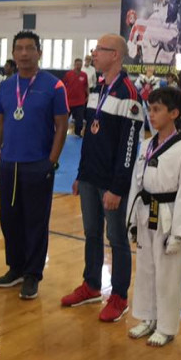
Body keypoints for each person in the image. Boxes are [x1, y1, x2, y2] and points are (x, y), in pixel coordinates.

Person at [61, 34, 143, 322]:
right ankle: (92, 285)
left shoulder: (129, 94)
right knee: (92, 233)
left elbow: (129, 147)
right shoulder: (97, 88)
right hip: (89, 178)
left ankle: (119, 296)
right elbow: (90, 138)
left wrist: (118, 188)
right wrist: (80, 175)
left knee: (117, 238)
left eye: (99, 49)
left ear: (116, 55)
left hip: (111, 184)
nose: (93, 53)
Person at [0, 30, 69, 300]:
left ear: (39, 53)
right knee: (9, 219)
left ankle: (32, 274)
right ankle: (16, 268)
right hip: (9, 163)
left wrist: (51, 161)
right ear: (13, 53)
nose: (24, 53)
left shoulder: (54, 86)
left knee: (35, 220)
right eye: (19, 48)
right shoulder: (6, 87)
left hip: (38, 164)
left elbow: (62, 125)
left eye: (29, 48)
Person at [126, 87, 181, 346]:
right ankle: (148, 317)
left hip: (168, 214)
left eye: (157, 110)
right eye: (150, 109)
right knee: (146, 267)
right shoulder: (147, 144)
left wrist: (179, 233)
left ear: (174, 113)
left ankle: (166, 326)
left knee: (168, 273)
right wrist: (131, 221)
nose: (151, 114)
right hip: (146, 210)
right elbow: (136, 184)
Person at [62, 58, 89, 137]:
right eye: (77, 64)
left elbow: (86, 86)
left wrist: (88, 95)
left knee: (79, 120)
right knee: (64, 119)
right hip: (69, 101)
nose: (79, 66)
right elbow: (63, 85)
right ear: (74, 65)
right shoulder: (68, 74)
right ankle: (61, 133)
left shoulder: (84, 75)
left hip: (80, 101)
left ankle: (78, 133)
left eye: (80, 64)